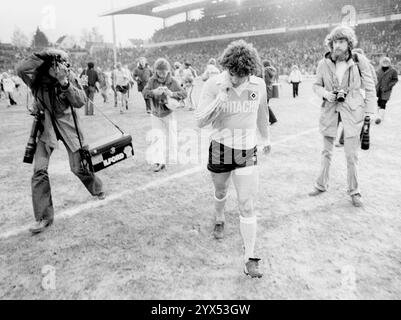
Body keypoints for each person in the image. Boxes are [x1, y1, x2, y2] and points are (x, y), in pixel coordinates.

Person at [195, 40, 271, 278]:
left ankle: (250, 257)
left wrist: (266, 138)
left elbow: (262, 112)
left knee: (247, 203)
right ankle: (219, 216)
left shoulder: (258, 84)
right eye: (233, 73)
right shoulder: (213, 84)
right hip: (220, 147)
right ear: (226, 67)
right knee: (220, 190)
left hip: (246, 151)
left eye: (242, 74)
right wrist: (221, 97)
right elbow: (200, 121)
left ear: (251, 71)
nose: (237, 79)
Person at [16, 49, 105, 234]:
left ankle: (98, 189)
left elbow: (80, 101)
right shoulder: (36, 78)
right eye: (54, 63)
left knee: (77, 167)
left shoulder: (68, 76)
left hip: (67, 124)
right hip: (45, 126)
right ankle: (43, 217)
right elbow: (20, 68)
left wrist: (64, 82)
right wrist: (43, 55)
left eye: (60, 63)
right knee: (39, 170)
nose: (57, 67)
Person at [308, 26, 376, 207]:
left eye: (342, 41)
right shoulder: (323, 63)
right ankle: (321, 185)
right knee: (326, 152)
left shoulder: (359, 60)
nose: (338, 45)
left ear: (348, 43)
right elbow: (316, 85)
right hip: (330, 110)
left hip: (352, 111)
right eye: (335, 42)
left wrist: (369, 111)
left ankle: (354, 191)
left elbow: (369, 86)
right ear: (331, 43)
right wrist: (325, 94)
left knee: (351, 155)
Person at [142, 58, 187, 172]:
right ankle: (159, 162)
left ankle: (173, 157)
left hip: (169, 113)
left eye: (164, 71)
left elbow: (184, 93)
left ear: (168, 70)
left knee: (172, 137)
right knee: (157, 137)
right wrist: (153, 92)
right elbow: (144, 93)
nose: (161, 74)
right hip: (156, 114)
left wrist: (172, 93)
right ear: (155, 71)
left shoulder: (172, 81)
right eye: (159, 71)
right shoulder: (152, 81)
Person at [335, 48, 377, 146]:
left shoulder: (367, 66)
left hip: (363, 95)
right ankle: (344, 140)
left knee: (363, 118)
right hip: (351, 95)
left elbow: (373, 81)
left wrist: (363, 87)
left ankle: (361, 139)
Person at [375, 56, 398, 125]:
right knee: (378, 103)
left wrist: (389, 86)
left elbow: (395, 79)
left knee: (383, 103)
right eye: (384, 62)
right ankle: (378, 116)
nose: (385, 63)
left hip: (386, 90)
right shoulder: (378, 70)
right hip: (378, 89)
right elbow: (375, 78)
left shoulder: (393, 71)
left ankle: (380, 117)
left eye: (386, 62)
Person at [262, 59, 278, 125]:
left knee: (265, 106)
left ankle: (273, 119)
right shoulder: (272, 70)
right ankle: (268, 119)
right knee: (265, 105)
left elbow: (265, 80)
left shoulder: (265, 70)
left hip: (265, 89)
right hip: (269, 89)